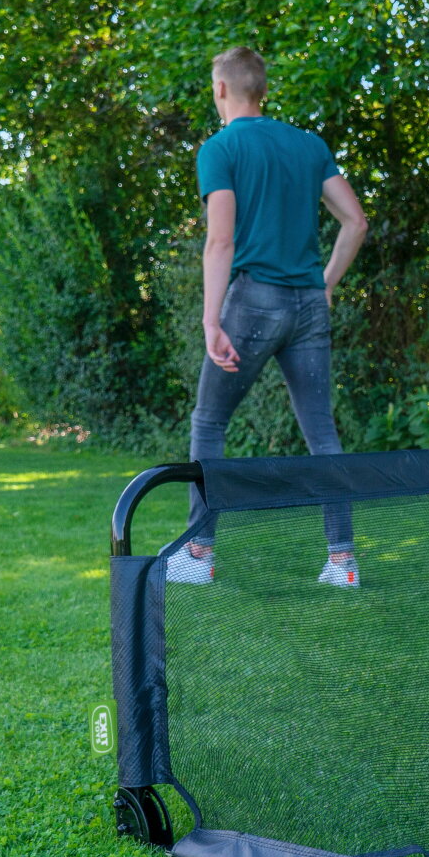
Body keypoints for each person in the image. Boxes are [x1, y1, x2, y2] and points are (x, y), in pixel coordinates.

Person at [167, 46, 370, 588]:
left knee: (210, 423)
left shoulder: (220, 148)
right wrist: (325, 283)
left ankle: (199, 554)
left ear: (221, 89)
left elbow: (221, 241)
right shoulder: (308, 145)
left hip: (254, 302)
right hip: (308, 305)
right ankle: (342, 562)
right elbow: (355, 222)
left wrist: (211, 321)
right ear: (262, 89)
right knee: (322, 434)